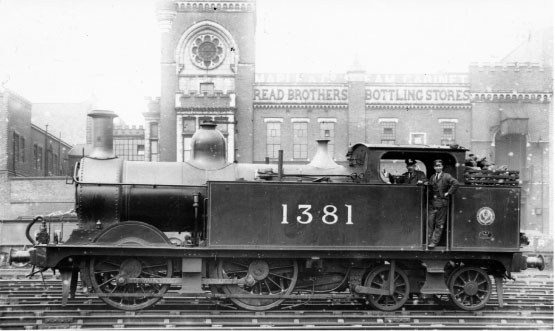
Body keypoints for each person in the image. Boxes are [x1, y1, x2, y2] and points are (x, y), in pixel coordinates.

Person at [427, 159, 458, 248]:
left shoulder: (446, 176)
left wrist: (448, 193)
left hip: (442, 202)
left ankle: (434, 242)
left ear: (442, 167)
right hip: (433, 203)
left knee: (439, 223)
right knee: (430, 222)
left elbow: (455, 183)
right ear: (434, 167)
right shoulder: (432, 177)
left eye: (439, 165)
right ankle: (429, 241)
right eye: (436, 166)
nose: (438, 167)